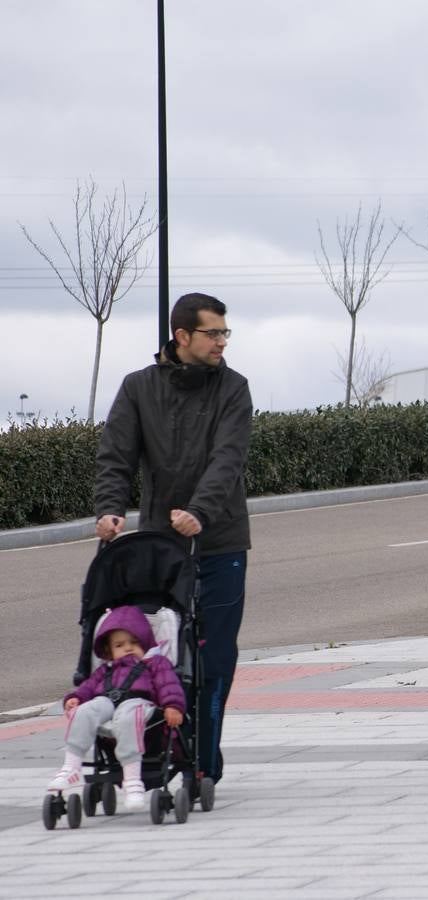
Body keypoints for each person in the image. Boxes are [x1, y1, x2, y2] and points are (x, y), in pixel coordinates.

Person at [94, 292, 251, 788]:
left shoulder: (234, 388)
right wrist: (110, 510)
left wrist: (201, 512)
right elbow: (115, 455)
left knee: (214, 655)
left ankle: (203, 760)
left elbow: (229, 457)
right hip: (160, 548)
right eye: (213, 333)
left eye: (225, 333)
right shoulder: (139, 388)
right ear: (182, 336)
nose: (222, 342)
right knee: (156, 653)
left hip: (219, 541)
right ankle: (155, 752)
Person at [48, 606, 186, 810]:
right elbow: (87, 687)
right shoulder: (105, 669)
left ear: (146, 642)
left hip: (141, 705)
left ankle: (132, 780)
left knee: (129, 712)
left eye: (134, 642)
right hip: (107, 702)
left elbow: (169, 685)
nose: (128, 648)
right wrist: (76, 698)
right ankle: (72, 766)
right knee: (86, 711)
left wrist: (173, 706)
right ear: (109, 651)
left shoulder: (155, 663)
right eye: (120, 645)